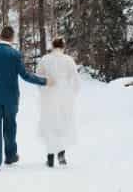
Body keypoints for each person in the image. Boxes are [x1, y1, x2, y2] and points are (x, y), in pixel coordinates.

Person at [0, 26, 50, 172]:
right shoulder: (15, 54)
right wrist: (44, 81)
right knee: (10, 126)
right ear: (12, 38)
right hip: (11, 98)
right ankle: (10, 156)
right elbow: (25, 76)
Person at [37, 37, 80, 168]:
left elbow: (39, 77)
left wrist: (43, 91)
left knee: (50, 124)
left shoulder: (45, 59)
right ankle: (61, 154)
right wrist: (72, 93)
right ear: (63, 47)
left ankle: (50, 157)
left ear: (52, 46)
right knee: (62, 123)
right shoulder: (68, 60)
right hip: (64, 96)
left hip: (49, 95)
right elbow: (76, 80)